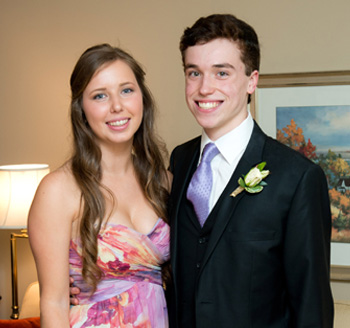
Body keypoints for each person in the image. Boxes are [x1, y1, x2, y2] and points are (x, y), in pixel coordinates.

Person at [167, 14, 334, 327]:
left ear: (252, 80)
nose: (205, 88)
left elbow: (312, 307)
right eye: (194, 73)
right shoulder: (180, 160)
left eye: (222, 73)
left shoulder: (298, 177)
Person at [28, 44, 171, 327]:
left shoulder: (163, 181)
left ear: (142, 98)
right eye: (100, 95)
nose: (117, 106)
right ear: (81, 108)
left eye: (127, 90)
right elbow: (54, 304)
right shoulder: (58, 190)